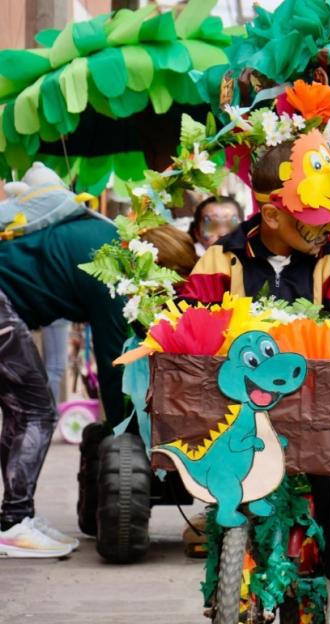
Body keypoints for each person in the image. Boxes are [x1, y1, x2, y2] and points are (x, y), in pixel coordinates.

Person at [179, 138, 330, 623]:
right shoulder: (224, 259)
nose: (326, 229)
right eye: (314, 218)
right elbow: (188, 311)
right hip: (238, 406)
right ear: (274, 215)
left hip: (314, 404)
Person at [0, 176, 195, 557]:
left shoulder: (111, 244)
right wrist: (120, 429)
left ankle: (16, 516)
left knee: (20, 412)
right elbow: (114, 362)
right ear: (158, 266)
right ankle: (13, 523)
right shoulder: (116, 274)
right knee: (37, 412)